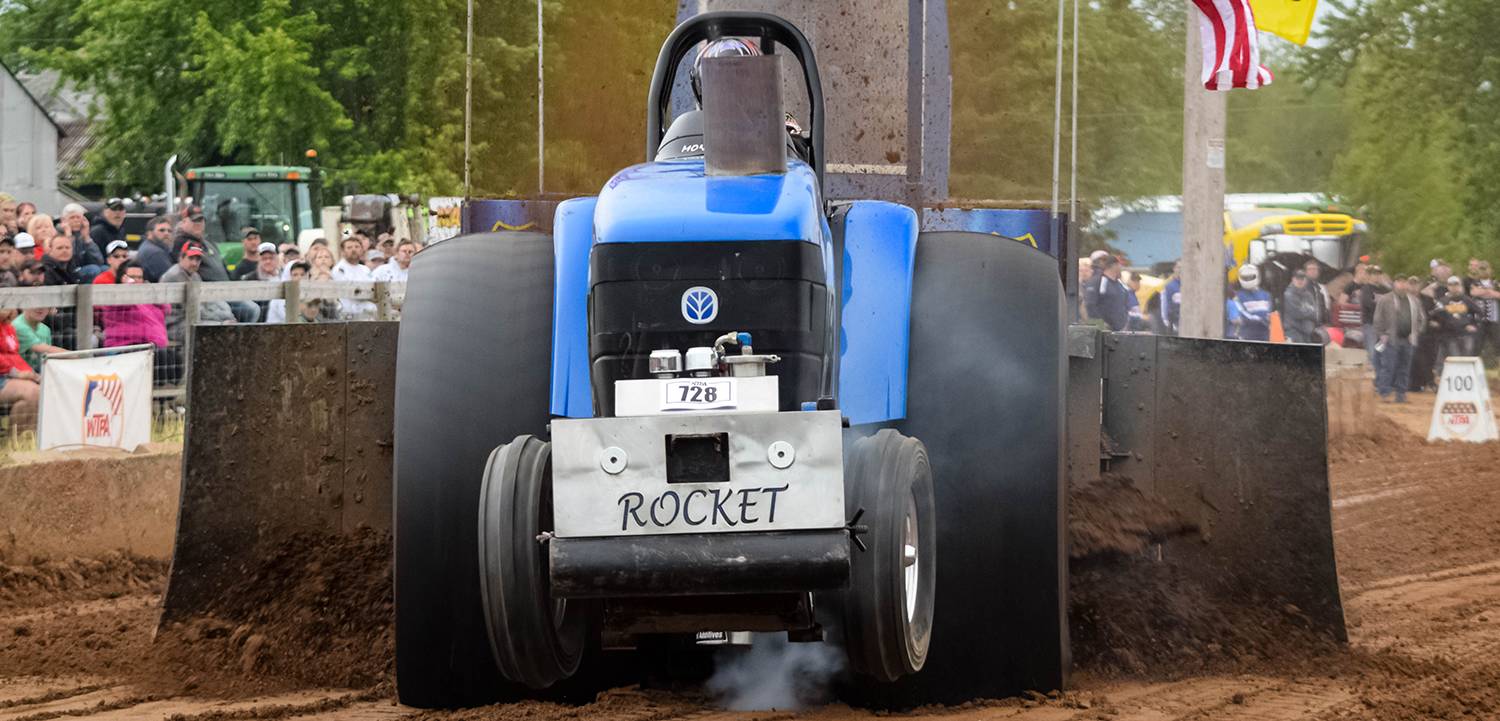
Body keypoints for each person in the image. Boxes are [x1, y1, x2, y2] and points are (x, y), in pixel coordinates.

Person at [101, 261, 179, 385]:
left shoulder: (146, 297)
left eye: (139, 277)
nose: (136, 280)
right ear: (122, 278)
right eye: (132, 277)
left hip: (151, 347)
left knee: (175, 358)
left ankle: (166, 394)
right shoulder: (114, 296)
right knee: (160, 359)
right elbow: (122, 303)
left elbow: (166, 309)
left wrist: (150, 292)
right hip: (126, 348)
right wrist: (130, 287)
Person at [161, 244, 238, 343]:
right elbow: (196, 309)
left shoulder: (195, 276)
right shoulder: (175, 276)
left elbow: (207, 301)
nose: (194, 263)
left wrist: (227, 316)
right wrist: (222, 321)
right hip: (175, 326)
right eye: (191, 258)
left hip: (192, 320)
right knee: (219, 330)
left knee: (226, 327)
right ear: (181, 258)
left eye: (197, 260)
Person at [1375, 276, 1426, 403]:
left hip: (1408, 339)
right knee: (1388, 367)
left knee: (1404, 368)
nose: (1402, 284)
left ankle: (1401, 394)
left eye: (1404, 282)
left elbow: (1421, 319)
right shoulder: (1385, 299)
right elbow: (1378, 319)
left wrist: (1416, 332)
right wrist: (1382, 334)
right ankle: (1383, 393)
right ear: (1394, 283)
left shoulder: (1414, 301)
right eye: (1399, 281)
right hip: (1391, 339)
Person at [0, 297, 43, 431]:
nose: (6, 309)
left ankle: (26, 439)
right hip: (3, 376)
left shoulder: (9, 328)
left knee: (42, 389)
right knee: (32, 392)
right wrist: (15, 373)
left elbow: (15, 357)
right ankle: (14, 441)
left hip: (7, 376)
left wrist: (31, 374)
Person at [1433, 276, 1482, 374]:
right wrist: (1439, 325)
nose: (1454, 287)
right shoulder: (1443, 301)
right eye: (1451, 285)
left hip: (1466, 334)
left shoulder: (1466, 300)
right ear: (1448, 286)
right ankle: (1457, 377)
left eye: (1456, 285)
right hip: (1450, 336)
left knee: (1466, 359)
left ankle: (1466, 378)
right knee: (1455, 358)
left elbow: (1479, 313)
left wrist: (1474, 325)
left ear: (1460, 286)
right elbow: (1436, 316)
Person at [1462, 259, 1500, 364]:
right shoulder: (1474, 282)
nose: (1483, 271)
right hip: (1480, 320)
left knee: (1498, 346)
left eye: (1485, 268)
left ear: (1489, 270)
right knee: (1477, 347)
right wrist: (1490, 292)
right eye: (1481, 269)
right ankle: (1476, 369)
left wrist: (1487, 292)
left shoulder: (1495, 283)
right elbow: (1473, 292)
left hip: (1494, 320)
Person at [57, 203, 105, 280]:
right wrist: (69, 236)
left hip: (82, 268)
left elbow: (99, 261)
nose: (76, 220)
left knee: (105, 269)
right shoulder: (58, 235)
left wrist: (87, 238)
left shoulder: (81, 234)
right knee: (94, 269)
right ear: (63, 220)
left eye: (78, 217)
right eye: (72, 217)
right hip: (66, 271)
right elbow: (69, 262)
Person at [332, 236, 376, 319]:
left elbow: (375, 289)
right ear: (343, 251)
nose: (353, 250)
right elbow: (353, 292)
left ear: (362, 250)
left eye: (356, 247)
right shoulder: (340, 269)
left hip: (368, 315)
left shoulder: (365, 269)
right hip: (349, 316)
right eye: (349, 247)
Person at [1089, 256, 1132, 331]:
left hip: (1121, 329)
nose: (1121, 267)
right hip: (1106, 329)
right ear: (1114, 266)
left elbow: (1126, 304)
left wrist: (1126, 322)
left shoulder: (1121, 284)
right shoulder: (1101, 282)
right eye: (1120, 265)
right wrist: (1101, 322)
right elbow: (1093, 303)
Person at [1232, 265, 1273, 341]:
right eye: (1246, 278)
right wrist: (1262, 319)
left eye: (1251, 277)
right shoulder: (1238, 296)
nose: (1249, 280)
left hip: (1265, 335)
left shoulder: (1265, 295)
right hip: (1248, 336)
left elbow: (1269, 313)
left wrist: (1268, 318)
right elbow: (1243, 316)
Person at [1283, 270, 1323, 344]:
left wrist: (1305, 310)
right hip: (1293, 332)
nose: (1300, 281)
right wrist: (1309, 310)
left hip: (1307, 333)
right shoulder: (1288, 295)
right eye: (1297, 278)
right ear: (1293, 280)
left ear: (1306, 280)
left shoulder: (1308, 295)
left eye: (1302, 279)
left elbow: (1316, 313)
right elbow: (1297, 313)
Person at [135, 215, 175, 282]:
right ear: (150, 234)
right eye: (162, 230)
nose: (166, 233)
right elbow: (172, 279)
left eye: (169, 231)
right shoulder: (155, 253)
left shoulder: (148, 245)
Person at [1160, 260, 1182, 335]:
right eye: (1178, 267)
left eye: (1183, 268)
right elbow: (1165, 304)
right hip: (1174, 322)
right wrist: (1166, 320)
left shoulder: (1191, 286)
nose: (1180, 270)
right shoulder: (1169, 286)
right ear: (1174, 269)